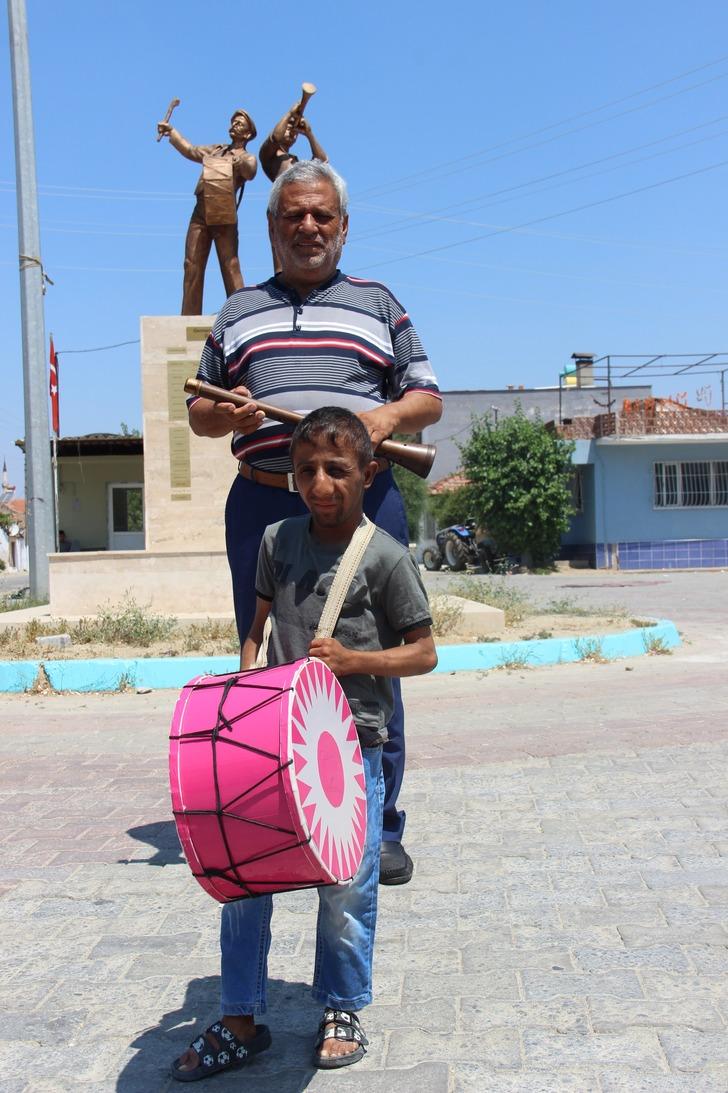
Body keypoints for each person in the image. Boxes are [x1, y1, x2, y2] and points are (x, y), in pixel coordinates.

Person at [187, 159, 442, 884]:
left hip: (365, 507)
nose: (307, 227)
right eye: (292, 216)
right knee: (267, 660)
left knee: (372, 660)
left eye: (320, 216)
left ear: (343, 226)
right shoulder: (238, 313)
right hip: (263, 503)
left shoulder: (378, 301)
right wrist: (224, 411)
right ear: (271, 228)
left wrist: (386, 414)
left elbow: (427, 395)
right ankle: (287, 811)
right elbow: (199, 411)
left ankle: (379, 824)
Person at [171, 407, 437, 1081]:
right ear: (292, 477)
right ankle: (239, 1018)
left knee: (347, 886)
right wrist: (246, 682)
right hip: (274, 745)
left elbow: (425, 652)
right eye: (306, 470)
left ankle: (342, 1006)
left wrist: (355, 661)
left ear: (368, 473)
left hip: (355, 746)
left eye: (337, 470)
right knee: (242, 878)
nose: (320, 482)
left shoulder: (386, 556)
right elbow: (255, 630)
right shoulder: (275, 540)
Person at [157, 110, 257, 315]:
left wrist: (239, 162)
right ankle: (189, 318)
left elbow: (251, 170)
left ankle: (241, 316)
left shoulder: (246, 157)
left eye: (239, 124)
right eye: (233, 122)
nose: (234, 125)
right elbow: (190, 150)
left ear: (247, 134)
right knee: (191, 264)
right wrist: (172, 132)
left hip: (223, 212)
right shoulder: (216, 150)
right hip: (201, 210)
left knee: (230, 265)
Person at [259, 103, 329, 274]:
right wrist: (291, 112)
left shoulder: (296, 162)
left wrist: (309, 134)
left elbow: (322, 161)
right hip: (283, 212)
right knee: (282, 261)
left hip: (301, 212)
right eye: (288, 129)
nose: (291, 133)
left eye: (295, 132)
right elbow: (275, 137)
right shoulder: (270, 156)